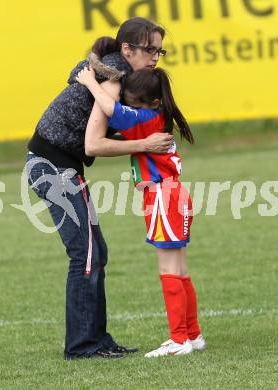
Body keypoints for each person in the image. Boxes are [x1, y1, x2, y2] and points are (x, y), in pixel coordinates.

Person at [25, 17, 173, 360]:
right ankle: (81, 346)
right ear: (127, 49)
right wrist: (145, 145)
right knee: (86, 254)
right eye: (150, 49)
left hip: (60, 166)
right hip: (51, 167)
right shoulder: (113, 78)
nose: (155, 58)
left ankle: (98, 340)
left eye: (159, 51)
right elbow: (93, 145)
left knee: (96, 252)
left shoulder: (111, 72)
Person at [76, 65, 207, 357]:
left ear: (152, 103)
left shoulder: (147, 117)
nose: (128, 107)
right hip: (173, 194)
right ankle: (192, 335)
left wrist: (90, 82)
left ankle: (179, 340)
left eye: (133, 102)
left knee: (169, 270)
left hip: (163, 195)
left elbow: (111, 109)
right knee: (180, 270)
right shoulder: (155, 117)